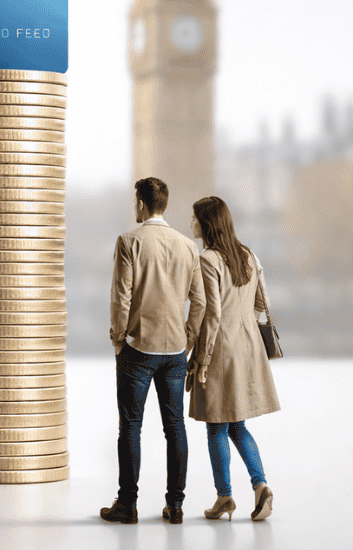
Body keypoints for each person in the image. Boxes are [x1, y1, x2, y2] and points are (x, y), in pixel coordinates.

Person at [100, 177, 205, 525]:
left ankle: (127, 505)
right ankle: (175, 506)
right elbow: (200, 302)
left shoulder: (130, 241)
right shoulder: (188, 246)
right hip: (174, 351)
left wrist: (118, 338)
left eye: (135, 201)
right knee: (175, 427)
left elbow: (121, 297)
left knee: (130, 426)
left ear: (141, 204)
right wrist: (187, 339)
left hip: (137, 349)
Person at [187, 196, 280, 521]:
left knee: (216, 425)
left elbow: (211, 315)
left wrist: (201, 358)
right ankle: (261, 486)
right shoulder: (249, 255)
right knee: (237, 424)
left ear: (207, 224)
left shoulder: (207, 259)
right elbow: (262, 303)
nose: (191, 223)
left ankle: (224, 496)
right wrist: (244, 328)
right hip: (248, 347)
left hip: (220, 351)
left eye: (195, 218)